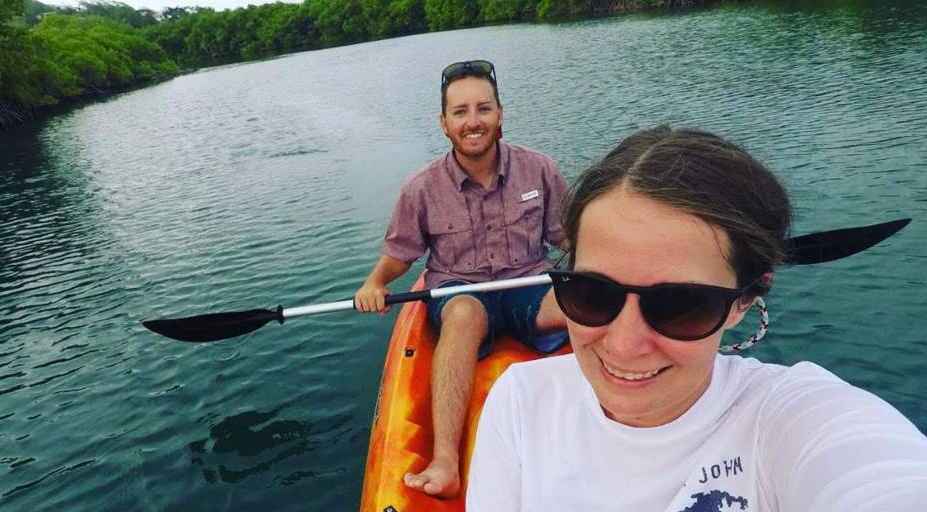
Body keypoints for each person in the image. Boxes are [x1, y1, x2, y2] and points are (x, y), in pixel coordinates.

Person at [466, 126, 927, 510]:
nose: (625, 344)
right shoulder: (522, 400)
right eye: (591, 292)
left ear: (743, 301)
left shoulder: (788, 419)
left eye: (680, 306)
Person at [355, 60, 570, 497]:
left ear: (500, 114)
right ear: (444, 123)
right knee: (464, 316)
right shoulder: (421, 188)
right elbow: (400, 254)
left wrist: (606, 273)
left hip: (529, 282)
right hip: (461, 288)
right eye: (461, 112)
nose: (473, 122)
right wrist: (375, 283)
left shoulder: (540, 169)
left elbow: (567, 238)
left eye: (483, 109)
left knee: (582, 307)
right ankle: (446, 461)